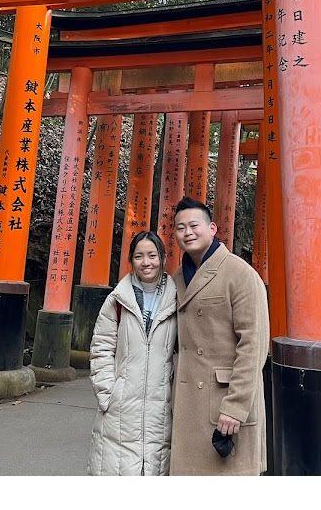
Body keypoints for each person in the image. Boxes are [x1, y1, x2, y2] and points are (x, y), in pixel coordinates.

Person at [169, 196, 270, 476]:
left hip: (224, 403)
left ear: (212, 228)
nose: (187, 233)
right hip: (189, 402)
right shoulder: (177, 278)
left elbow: (254, 345)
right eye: (180, 228)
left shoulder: (240, 274)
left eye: (193, 225)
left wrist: (236, 407)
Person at [87, 231, 177, 476]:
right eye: (139, 256)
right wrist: (108, 392)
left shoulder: (178, 298)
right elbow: (101, 347)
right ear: (131, 260)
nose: (146, 262)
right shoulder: (118, 300)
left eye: (152, 255)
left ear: (163, 258)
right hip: (120, 406)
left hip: (161, 404)